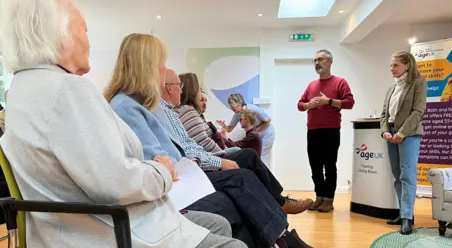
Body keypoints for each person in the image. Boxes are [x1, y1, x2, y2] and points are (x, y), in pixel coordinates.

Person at [0, 0, 247, 248]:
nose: (88, 40)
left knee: (219, 221)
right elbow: (115, 183)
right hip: (109, 229)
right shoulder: (67, 90)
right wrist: (161, 170)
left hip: (73, 227)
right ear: (59, 33)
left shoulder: (20, 92)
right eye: (84, 28)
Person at [105, 34, 312, 248]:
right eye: (161, 64)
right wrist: (209, 162)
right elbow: (158, 163)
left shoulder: (141, 104)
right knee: (240, 183)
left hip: (183, 175)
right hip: (176, 184)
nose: (163, 71)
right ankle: (284, 238)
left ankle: (281, 238)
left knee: (241, 185)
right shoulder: (128, 107)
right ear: (145, 66)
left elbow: (181, 148)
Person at [165, 70, 313, 215]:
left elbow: (267, 120)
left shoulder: (250, 112)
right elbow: (205, 143)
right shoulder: (188, 112)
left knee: (249, 157)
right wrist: (223, 150)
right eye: (200, 93)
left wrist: (254, 131)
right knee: (248, 156)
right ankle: (280, 201)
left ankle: (278, 201)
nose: (203, 99)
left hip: (257, 136)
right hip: (207, 160)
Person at [297, 49, 355, 213]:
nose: (317, 63)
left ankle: (329, 199)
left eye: (320, 59)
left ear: (330, 62)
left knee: (329, 166)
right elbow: (300, 104)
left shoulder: (340, 82)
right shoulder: (311, 85)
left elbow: (349, 103)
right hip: (313, 131)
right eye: (315, 60)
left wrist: (328, 101)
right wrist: (309, 105)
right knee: (315, 166)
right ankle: (319, 196)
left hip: (331, 131)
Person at [380, 51, 426, 235]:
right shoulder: (391, 88)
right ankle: (403, 213)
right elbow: (384, 114)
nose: (391, 69)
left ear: (407, 65)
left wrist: (401, 132)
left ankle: (407, 218)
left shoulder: (418, 83)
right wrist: (385, 130)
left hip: (409, 134)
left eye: (395, 65)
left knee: (407, 176)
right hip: (391, 134)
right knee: (397, 176)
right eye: (391, 65)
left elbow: (418, 111)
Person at [218, 93, 275, 166]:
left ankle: (264, 176)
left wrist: (256, 131)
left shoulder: (253, 109)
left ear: (239, 104)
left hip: (267, 132)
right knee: (255, 158)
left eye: (232, 106)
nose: (231, 109)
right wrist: (223, 126)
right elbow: (229, 129)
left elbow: (268, 120)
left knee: (262, 158)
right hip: (256, 133)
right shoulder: (238, 114)